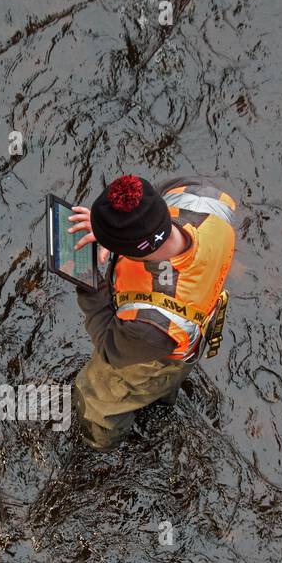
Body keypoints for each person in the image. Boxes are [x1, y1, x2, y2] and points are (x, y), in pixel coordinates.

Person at [66, 174, 238, 449]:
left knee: (97, 396)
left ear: (124, 250)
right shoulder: (202, 197)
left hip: (156, 355)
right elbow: (142, 214)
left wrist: (88, 284)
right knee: (163, 386)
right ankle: (161, 397)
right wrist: (111, 228)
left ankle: (102, 449)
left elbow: (110, 346)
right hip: (191, 332)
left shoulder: (151, 321)